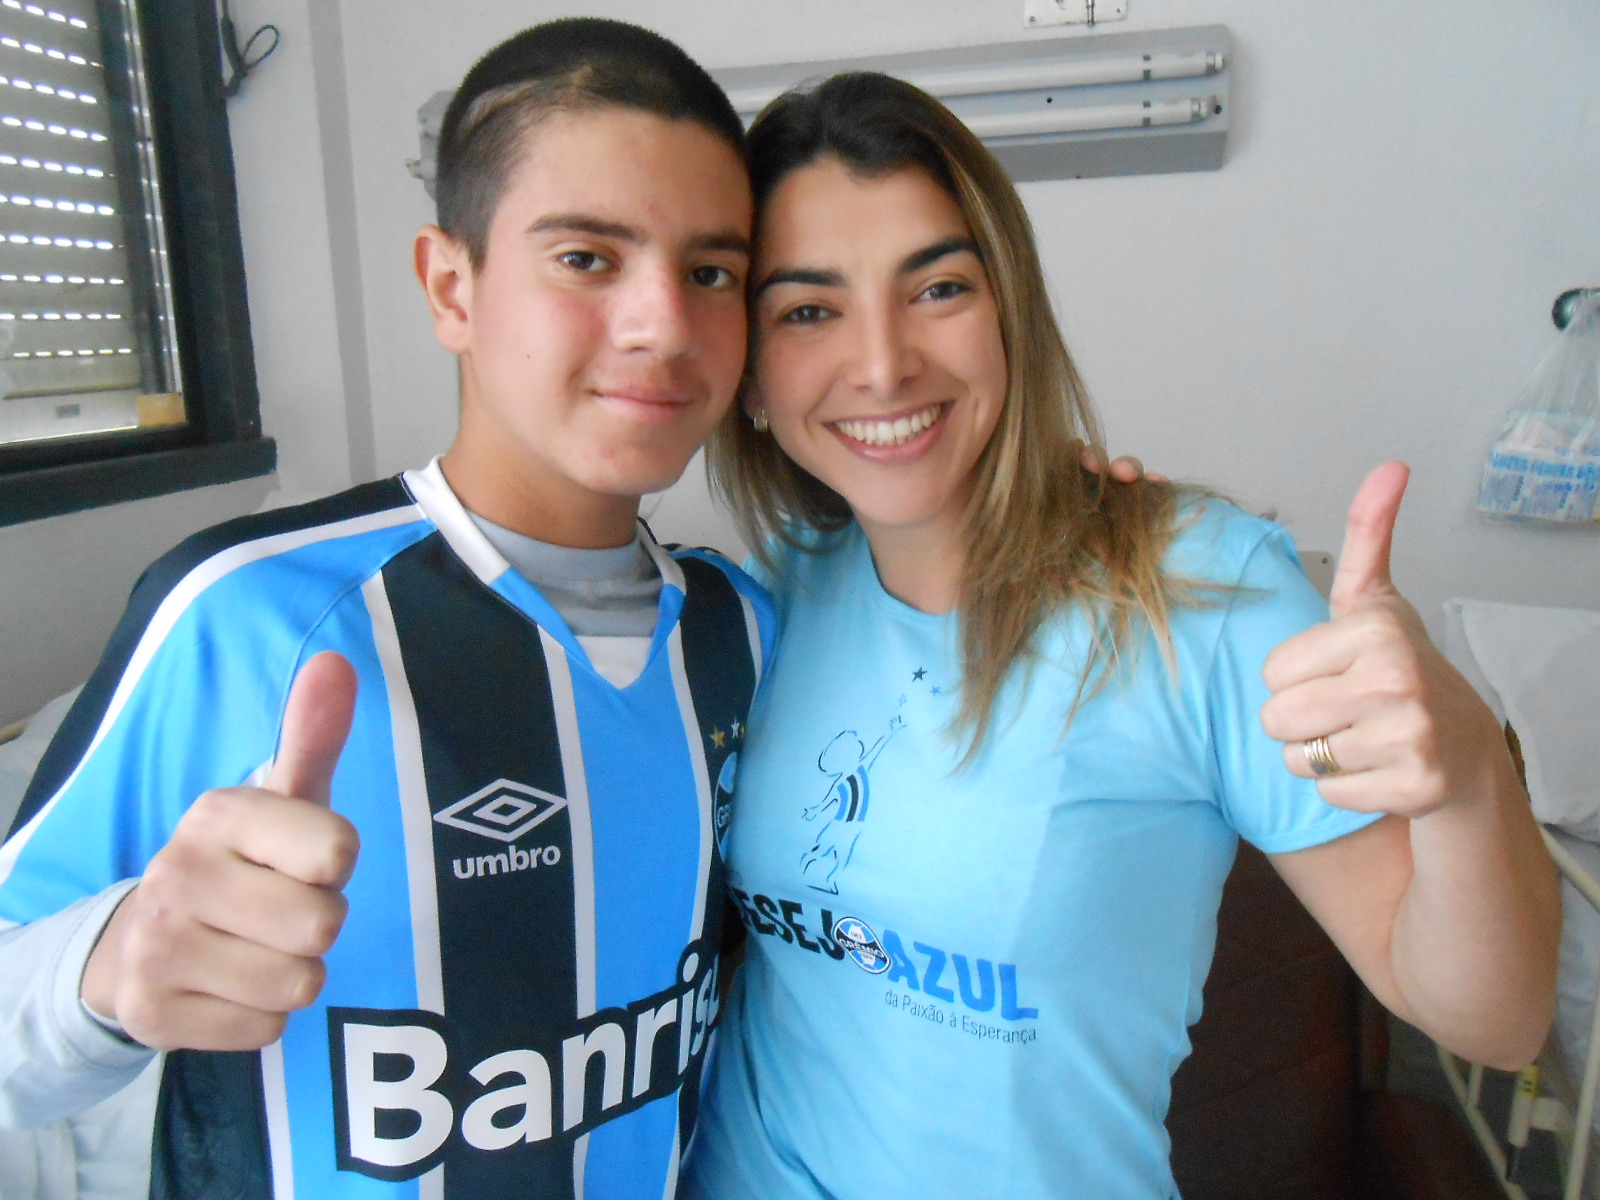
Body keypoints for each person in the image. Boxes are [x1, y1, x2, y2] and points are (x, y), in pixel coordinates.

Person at [680, 72, 1560, 1199]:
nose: (883, 362)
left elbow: (1493, 1019)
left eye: (936, 287)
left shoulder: (1193, 593)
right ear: (750, 374)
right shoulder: (764, 602)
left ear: (1010, 315)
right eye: (808, 310)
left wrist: (1469, 773)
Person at [0, 19, 779, 1197]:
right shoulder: (252, 615)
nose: (662, 325)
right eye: (585, 257)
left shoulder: (746, 632)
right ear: (449, 286)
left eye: (711, 272)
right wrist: (104, 974)